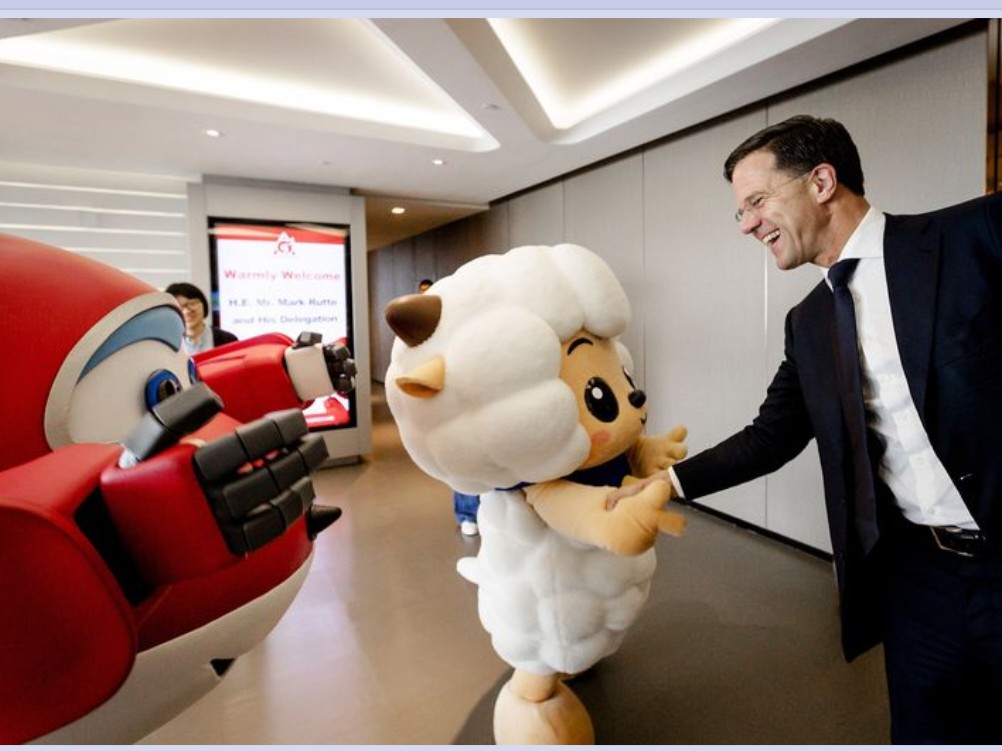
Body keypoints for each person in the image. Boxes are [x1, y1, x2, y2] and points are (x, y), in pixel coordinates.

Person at [668, 114, 1002, 744]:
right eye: (740, 211)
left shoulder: (974, 236)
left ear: (821, 182)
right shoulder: (809, 322)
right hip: (917, 579)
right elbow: (771, 435)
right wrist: (665, 483)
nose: (746, 225)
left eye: (756, 202)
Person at [415, 277, 480, 536]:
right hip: (452, 402)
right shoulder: (422, 329)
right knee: (463, 460)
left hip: (477, 397)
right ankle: (467, 514)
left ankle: (489, 514)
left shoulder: (466, 323)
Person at [165, 282, 238, 355]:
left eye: (192, 303)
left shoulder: (228, 340)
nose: (186, 311)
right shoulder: (165, 346)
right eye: (179, 307)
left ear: (204, 304)